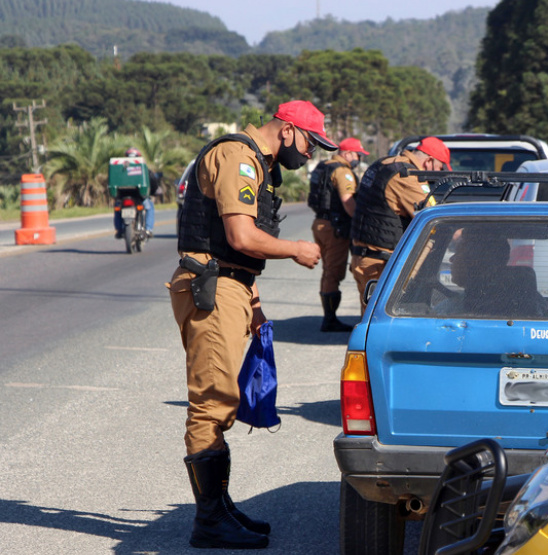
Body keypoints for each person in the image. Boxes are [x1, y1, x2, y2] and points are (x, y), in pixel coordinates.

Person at [167, 100, 335, 549]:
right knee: (212, 401)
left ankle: (219, 507)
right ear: (287, 130)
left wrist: (254, 304)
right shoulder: (239, 157)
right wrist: (296, 248)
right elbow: (241, 236)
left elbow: (236, 251)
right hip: (212, 286)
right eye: (310, 142)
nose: (311, 154)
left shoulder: (256, 163)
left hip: (231, 284)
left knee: (223, 398)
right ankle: (209, 521)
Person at [349, 136, 450, 313]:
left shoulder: (383, 163)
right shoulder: (406, 176)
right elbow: (434, 217)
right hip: (382, 264)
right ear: (429, 161)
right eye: (440, 167)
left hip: (365, 256)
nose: (439, 173)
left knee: (371, 318)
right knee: (383, 323)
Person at [308, 137, 368, 332]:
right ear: (348, 153)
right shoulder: (342, 171)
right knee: (334, 272)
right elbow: (348, 201)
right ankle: (330, 320)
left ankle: (329, 317)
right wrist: (362, 222)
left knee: (328, 271)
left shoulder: (322, 166)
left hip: (320, 223)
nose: (358, 158)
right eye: (357, 154)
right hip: (335, 227)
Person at [114, 147, 157, 239]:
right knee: (149, 208)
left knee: (117, 208)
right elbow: (152, 181)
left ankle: (119, 230)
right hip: (139, 196)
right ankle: (148, 229)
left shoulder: (119, 169)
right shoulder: (143, 168)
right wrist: (153, 192)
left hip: (122, 196)